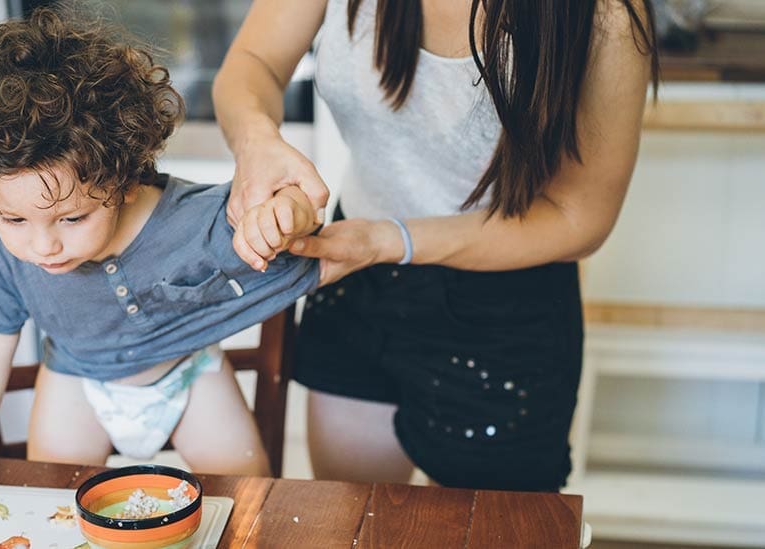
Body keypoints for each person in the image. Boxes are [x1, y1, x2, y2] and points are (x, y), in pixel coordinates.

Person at [212, 0, 660, 491]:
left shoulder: (604, 15)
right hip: (357, 275)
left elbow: (581, 218)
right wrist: (255, 140)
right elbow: (254, 62)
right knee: (356, 523)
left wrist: (390, 239)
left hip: (504, 305)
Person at [0, 6, 320, 504]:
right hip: (74, 382)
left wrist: (287, 210)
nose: (42, 245)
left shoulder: (193, 219)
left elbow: (286, 212)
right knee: (53, 500)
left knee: (248, 499)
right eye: (14, 220)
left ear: (126, 182)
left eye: (72, 219)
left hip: (187, 374)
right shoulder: (3, 245)